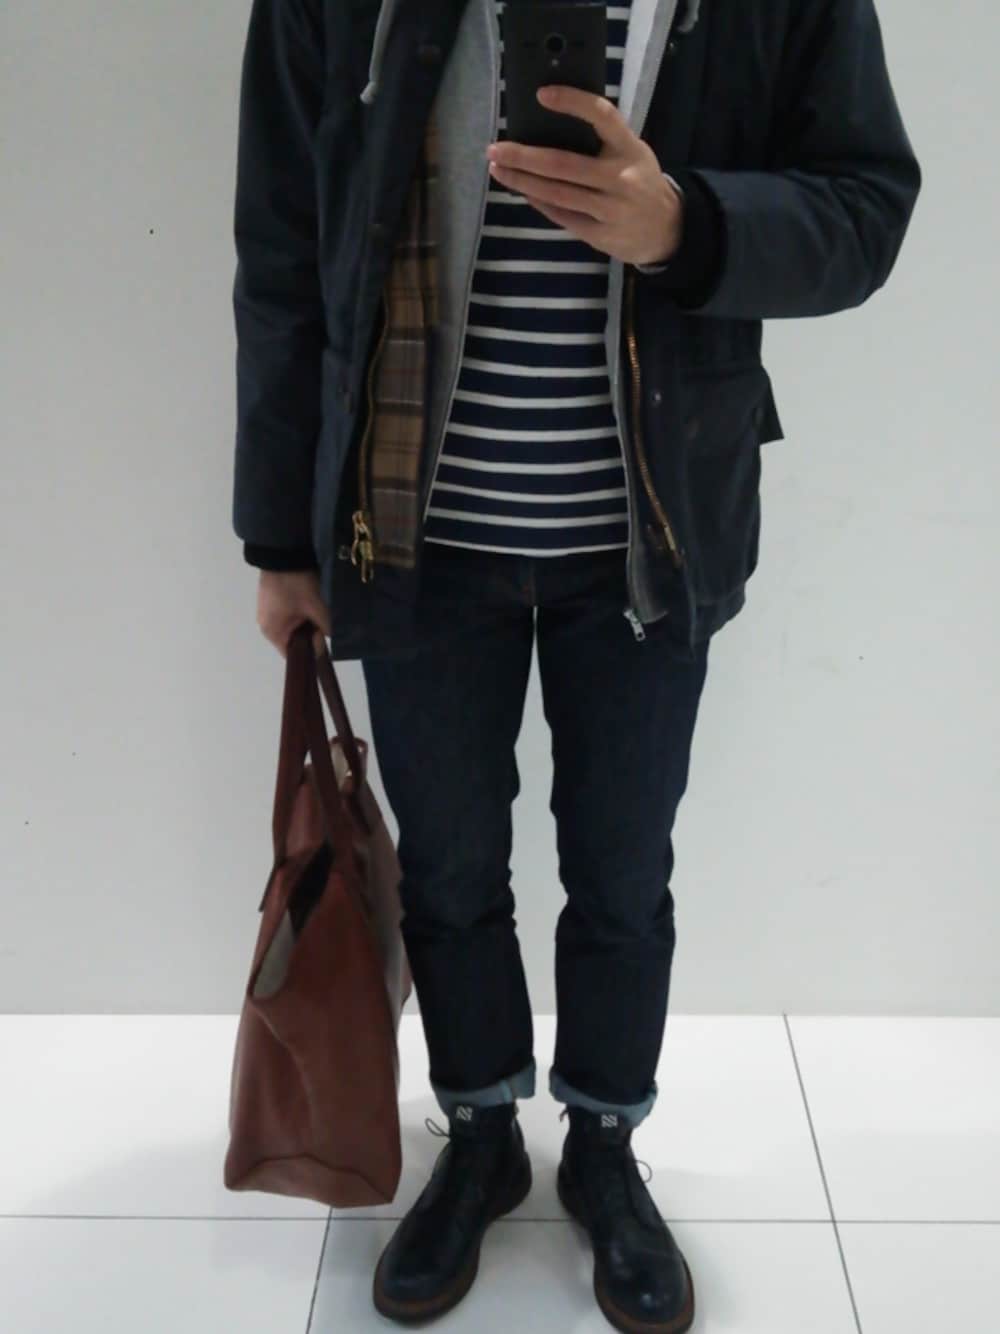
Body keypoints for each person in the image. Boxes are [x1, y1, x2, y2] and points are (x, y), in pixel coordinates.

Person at [231, 0, 921, 1328]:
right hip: (414, 536)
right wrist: (278, 533)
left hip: (649, 540)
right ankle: (481, 1130)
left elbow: (865, 207)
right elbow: (281, 241)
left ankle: (605, 1141)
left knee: (622, 869)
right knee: (447, 869)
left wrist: (687, 226)